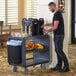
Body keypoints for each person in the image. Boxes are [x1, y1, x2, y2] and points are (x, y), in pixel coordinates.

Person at [41, 2, 70, 72]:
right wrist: (46, 25)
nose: (49, 9)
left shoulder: (57, 14)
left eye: (49, 8)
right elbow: (54, 23)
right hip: (58, 35)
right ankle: (59, 65)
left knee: (59, 50)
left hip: (59, 35)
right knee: (57, 50)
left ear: (53, 6)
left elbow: (55, 27)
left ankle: (66, 66)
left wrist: (47, 31)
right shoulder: (57, 14)